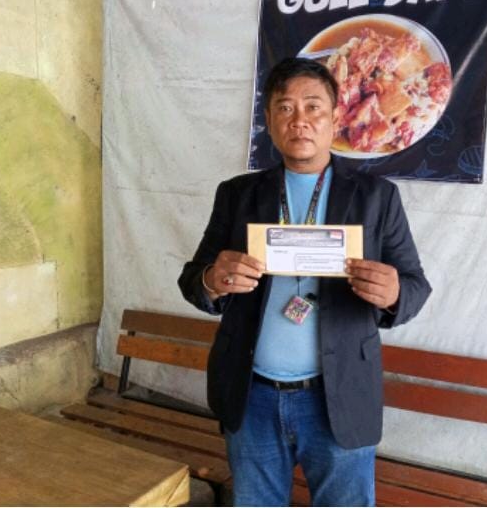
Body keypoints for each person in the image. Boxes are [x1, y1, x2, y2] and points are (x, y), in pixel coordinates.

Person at [178, 57, 431, 506]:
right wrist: (214, 279)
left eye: (313, 106)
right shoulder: (237, 195)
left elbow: (415, 286)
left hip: (338, 398)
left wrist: (393, 294)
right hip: (251, 396)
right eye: (285, 108)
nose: (300, 120)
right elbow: (193, 280)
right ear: (270, 121)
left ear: (336, 116)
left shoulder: (376, 198)